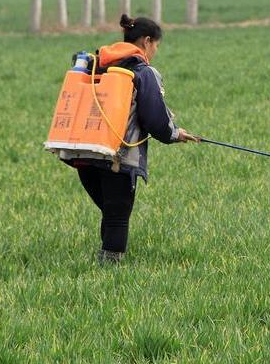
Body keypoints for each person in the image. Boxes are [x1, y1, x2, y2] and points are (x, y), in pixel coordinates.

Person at [66, 14, 199, 264]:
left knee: (111, 211)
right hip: (117, 156)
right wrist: (175, 134)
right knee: (118, 215)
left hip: (82, 152)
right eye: (156, 45)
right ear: (147, 41)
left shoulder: (98, 65)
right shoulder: (143, 71)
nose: (155, 51)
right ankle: (109, 272)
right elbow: (154, 119)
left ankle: (103, 262)